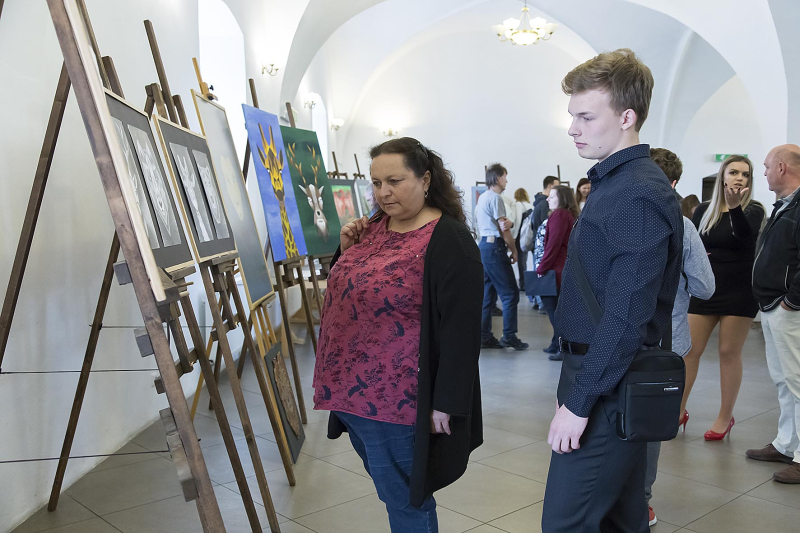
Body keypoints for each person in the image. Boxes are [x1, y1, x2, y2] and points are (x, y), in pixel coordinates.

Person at [542, 49, 683, 533]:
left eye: (586, 116)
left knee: (566, 523)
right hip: (604, 375)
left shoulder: (637, 192)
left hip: (609, 383)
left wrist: (579, 403)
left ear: (627, 117)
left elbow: (626, 316)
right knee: (621, 520)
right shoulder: (615, 182)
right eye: (572, 116)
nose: (573, 128)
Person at [314, 137, 484, 531]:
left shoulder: (449, 239)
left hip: (396, 399)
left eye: (394, 180)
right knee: (393, 489)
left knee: (406, 500)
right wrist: (344, 250)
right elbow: (348, 288)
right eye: (375, 183)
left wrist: (445, 403)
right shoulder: (373, 226)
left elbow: (461, 331)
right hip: (348, 391)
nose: (383, 192)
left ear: (425, 180)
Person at [644, 148, 715, 526]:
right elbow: (705, 286)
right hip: (661, 339)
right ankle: (641, 502)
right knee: (649, 422)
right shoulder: (683, 226)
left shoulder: (606, 212)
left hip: (609, 335)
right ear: (673, 184)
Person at [680, 155, 766, 440]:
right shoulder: (703, 210)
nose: (740, 178)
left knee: (728, 353)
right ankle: (677, 410)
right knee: (690, 351)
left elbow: (746, 240)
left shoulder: (753, 210)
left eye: (745, 174)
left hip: (740, 291)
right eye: (734, 172)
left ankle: (724, 417)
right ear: (722, 176)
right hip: (706, 289)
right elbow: (694, 246)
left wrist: (734, 208)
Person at [747, 144, 800, 484]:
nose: (763, 172)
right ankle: (786, 443)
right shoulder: (785, 205)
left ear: (782, 167)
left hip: (788, 309)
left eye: (766, 166)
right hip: (772, 306)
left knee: (798, 382)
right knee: (784, 381)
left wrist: (792, 301)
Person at [476, 164, 529, 350]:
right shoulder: (496, 198)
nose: (507, 180)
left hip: (483, 247)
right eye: (505, 176)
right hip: (495, 248)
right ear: (498, 178)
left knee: (487, 296)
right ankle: (509, 336)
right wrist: (514, 250)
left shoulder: (482, 198)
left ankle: (483, 336)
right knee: (510, 294)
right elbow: (504, 229)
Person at [536, 185, 580, 360]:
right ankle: (556, 344)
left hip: (556, 271)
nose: (547, 199)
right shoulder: (567, 215)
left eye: (552, 196)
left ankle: (564, 348)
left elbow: (553, 245)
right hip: (563, 270)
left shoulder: (560, 215)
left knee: (555, 312)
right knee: (558, 310)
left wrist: (541, 268)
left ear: (562, 198)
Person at [513, 188, 534, 291]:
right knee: (526, 259)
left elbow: (517, 221)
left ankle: (522, 283)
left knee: (521, 261)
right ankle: (527, 283)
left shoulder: (518, 205)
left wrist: (514, 236)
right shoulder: (531, 205)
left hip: (521, 235)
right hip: (530, 235)